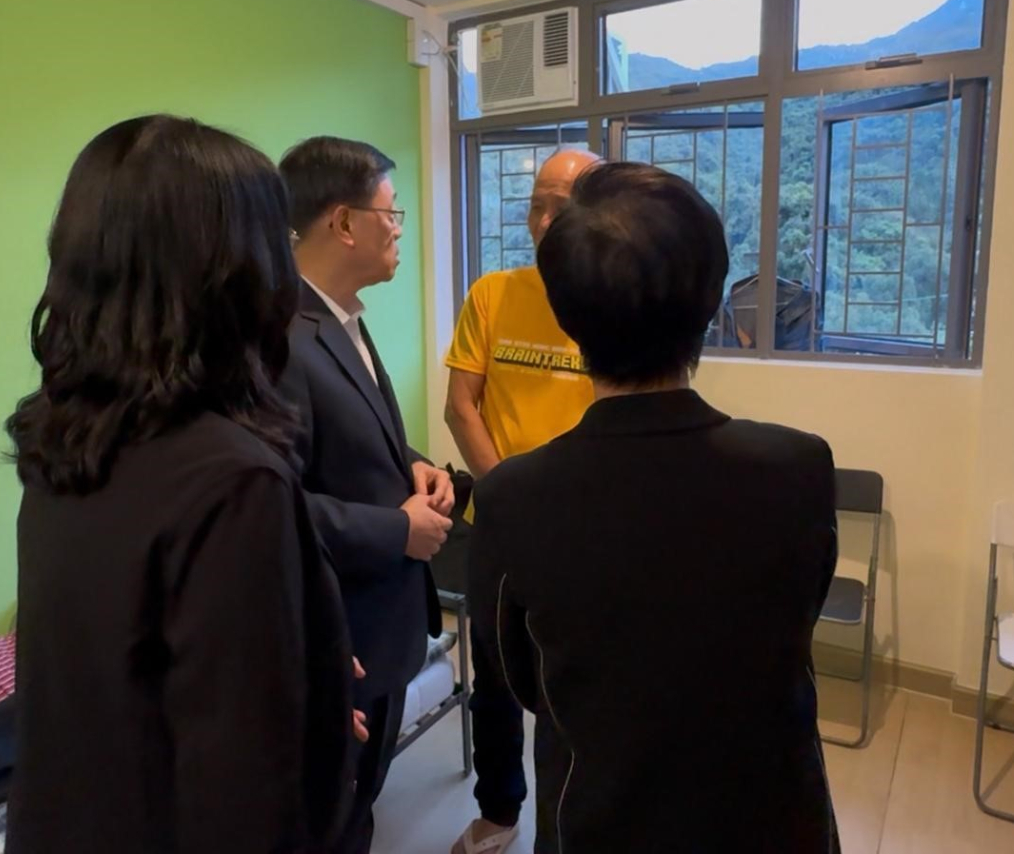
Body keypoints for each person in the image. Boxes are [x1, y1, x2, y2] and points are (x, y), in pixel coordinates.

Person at [5, 116, 356, 854]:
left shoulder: (66, 435)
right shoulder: (233, 480)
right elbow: (243, 794)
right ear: (238, 271)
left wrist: (300, 664)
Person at [470, 162, 841, 854]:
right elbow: (798, 614)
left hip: (599, 818)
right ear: (712, 300)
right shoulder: (799, 467)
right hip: (773, 818)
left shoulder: (512, 499)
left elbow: (523, 678)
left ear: (565, 312)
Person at [278, 136, 454, 854]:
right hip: (337, 630)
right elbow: (270, 505)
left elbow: (356, 438)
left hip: (381, 621)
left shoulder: (339, 316)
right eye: (392, 213)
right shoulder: (279, 341)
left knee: (360, 801)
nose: (400, 229)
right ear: (344, 222)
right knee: (333, 819)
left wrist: (416, 466)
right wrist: (397, 531)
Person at [443, 148, 598, 854]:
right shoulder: (493, 294)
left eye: (560, 208)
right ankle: (499, 811)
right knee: (497, 684)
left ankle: (569, 827)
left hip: (583, 533)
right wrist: (508, 499)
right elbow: (461, 406)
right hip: (500, 527)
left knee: (578, 690)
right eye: (536, 205)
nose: (542, 222)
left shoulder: (610, 299)